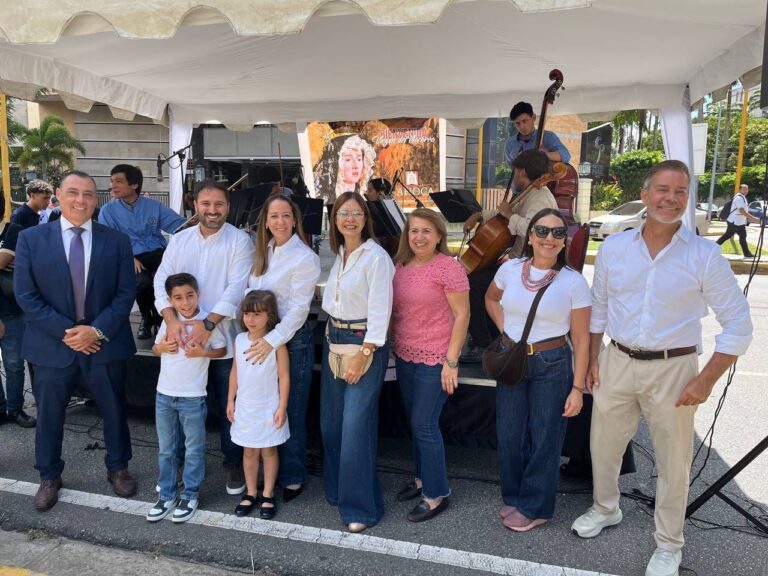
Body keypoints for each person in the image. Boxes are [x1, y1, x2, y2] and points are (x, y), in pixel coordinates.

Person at [572, 161, 752, 576]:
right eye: (663, 190)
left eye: (680, 192)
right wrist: (595, 358)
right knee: (603, 447)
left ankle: (669, 543)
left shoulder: (705, 255)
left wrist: (705, 380)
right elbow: (599, 308)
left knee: (673, 462)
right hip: (617, 360)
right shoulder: (615, 248)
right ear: (645, 194)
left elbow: (739, 325)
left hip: (675, 367)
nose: (671, 199)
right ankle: (606, 507)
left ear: (687, 198)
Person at [14, 170, 138, 511]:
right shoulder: (31, 239)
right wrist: (69, 332)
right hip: (53, 345)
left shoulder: (117, 241)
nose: (80, 200)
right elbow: (26, 295)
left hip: (104, 343)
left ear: (96, 200)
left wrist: (95, 331)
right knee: (49, 414)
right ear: (58, 194)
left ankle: (118, 467)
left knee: (114, 410)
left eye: (87, 194)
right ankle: (49, 476)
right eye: (73, 192)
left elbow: (125, 293)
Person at [485, 208, 590, 532]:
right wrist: (508, 333)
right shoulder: (510, 269)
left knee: (545, 437)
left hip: (552, 362)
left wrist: (577, 389)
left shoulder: (573, 281)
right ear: (530, 236)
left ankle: (536, 506)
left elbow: (581, 340)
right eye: (542, 231)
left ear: (564, 241)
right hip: (514, 359)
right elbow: (491, 299)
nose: (549, 238)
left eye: (558, 233)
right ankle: (515, 496)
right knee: (510, 433)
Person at [154, 180, 255, 495]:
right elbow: (161, 280)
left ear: (228, 206)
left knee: (229, 405)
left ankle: (232, 462)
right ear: (194, 205)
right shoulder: (180, 240)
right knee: (181, 405)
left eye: (219, 204)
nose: (213, 210)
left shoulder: (240, 241)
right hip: (182, 339)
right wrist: (172, 319)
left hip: (222, 337)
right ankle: (178, 463)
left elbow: (238, 287)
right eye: (206, 204)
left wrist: (207, 323)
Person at [321, 191, 394, 533]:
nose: (349, 219)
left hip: (364, 343)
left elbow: (381, 310)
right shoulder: (339, 253)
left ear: (366, 219)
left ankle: (361, 509)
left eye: (356, 213)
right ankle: (339, 490)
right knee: (331, 425)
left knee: (354, 429)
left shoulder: (376, 257)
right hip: (334, 339)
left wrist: (366, 353)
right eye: (343, 213)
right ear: (334, 219)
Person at [390, 208, 469, 522]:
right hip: (405, 355)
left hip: (436, 358)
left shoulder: (449, 268)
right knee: (415, 423)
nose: (419, 237)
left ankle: (436, 494)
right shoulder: (400, 266)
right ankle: (422, 478)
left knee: (424, 425)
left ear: (439, 236)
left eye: (426, 231)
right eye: (414, 231)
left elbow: (462, 315)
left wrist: (451, 361)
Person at [245, 194, 321, 502]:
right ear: (265, 221)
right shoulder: (263, 253)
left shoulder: (305, 257)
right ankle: (269, 473)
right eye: (274, 216)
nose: (280, 221)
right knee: (267, 406)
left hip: (290, 341)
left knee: (291, 410)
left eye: (286, 215)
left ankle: (293, 475)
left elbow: (299, 310)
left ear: (295, 220)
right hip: (262, 339)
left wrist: (271, 341)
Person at [461, 149, 558, 363]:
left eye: (516, 172)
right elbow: (503, 214)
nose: (514, 177)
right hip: (519, 261)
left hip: (532, 267)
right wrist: (479, 215)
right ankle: (492, 337)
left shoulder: (540, 198)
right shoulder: (530, 193)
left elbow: (535, 231)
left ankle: (483, 343)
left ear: (522, 172)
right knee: (481, 278)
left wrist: (510, 215)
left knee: (472, 284)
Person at [147, 273, 227, 523]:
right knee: (166, 449)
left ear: (198, 295)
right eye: (178, 298)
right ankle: (167, 494)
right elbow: (155, 348)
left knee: (194, 449)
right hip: (164, 395)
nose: (185, 302)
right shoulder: (169, 322)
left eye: (190, 296)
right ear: (170, 300)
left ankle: (190, 494)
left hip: (193, 397)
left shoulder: (207, 322)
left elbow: (222, 349)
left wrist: (203, 352)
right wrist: (161, 348)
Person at [99, 165, 186, 339]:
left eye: (118, 181)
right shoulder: (107, 211)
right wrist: (129, 258)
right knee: (142, 282)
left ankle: (162, 317)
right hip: (129, 256)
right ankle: (147, 318)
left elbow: (179, 226)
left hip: (158, 253)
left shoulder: (154, 206)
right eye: (112, 181)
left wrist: (196, 221)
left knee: (168, 280)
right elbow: (108, 241)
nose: (113, 186)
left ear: (134, 185)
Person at [228, 290, 290, 519]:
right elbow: (235, 371)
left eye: (256, 314)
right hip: (246, 406)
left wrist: (282, 406)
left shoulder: (277, 343)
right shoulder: (239, 340)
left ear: (269, 315)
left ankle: (268, 493)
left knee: (269, 450)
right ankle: (251, 491)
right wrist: (230, 399)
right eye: (247, 314)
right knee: (249, 450)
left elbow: (284, 376)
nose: (250, 320)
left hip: (268, 406)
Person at [0, 215, 36, 428]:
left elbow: (2, 261)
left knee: (13, 364)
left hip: (11, 310)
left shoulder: (13, 230)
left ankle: (15, 409)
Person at [504, 101, 571, 166]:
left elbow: (566, 155)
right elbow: (510, 165)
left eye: (524, 121)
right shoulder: (509, 143)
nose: (521, 127)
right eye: (517, 123)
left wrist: (542, 155)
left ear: (533, 118)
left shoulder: (548, 136)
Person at [313, 134, 376, 203]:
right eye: (348, 159)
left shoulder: (365, 198)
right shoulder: (325, 198)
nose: (356, 166)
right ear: (336, 163)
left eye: (359, 159)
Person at [715, 184, 760, 258]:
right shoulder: (739, 198)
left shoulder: (743, 198)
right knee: (727, 236)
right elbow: (741, 210)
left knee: (742, 237)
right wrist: (753, 218)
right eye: (744, 189)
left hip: (739, 223)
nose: (746, 191)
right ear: (740, 190)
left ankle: (747, 253)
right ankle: (712, 249)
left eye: (747, 189)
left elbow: (743, 211)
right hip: (734, 222)